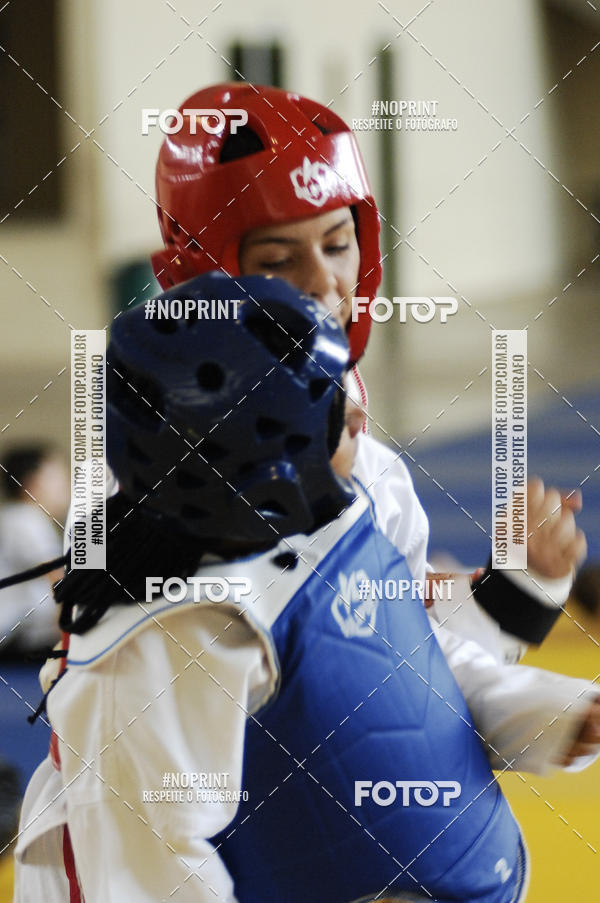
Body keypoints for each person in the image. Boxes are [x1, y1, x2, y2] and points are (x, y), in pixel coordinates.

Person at [12, 276, 600, 903]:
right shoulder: (170, 634)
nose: (363, 419)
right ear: (266, 450)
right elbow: (149, 868)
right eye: (336, 412)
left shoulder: (337, 525)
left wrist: (543, 711)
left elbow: (407, 666)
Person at [149, 82, 587, 665]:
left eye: (337, 245)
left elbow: (403, 658)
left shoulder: (377, 475)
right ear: (199, 282)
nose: (324, 282)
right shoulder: (147, 474)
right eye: (278, 260)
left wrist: (521, 588)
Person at [0, 445, 68, 656]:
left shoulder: (18, 517)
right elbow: (58, 580)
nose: (68, 484)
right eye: (58, 476)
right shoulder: (26, 518)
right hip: (16, 638)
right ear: (33, 482)